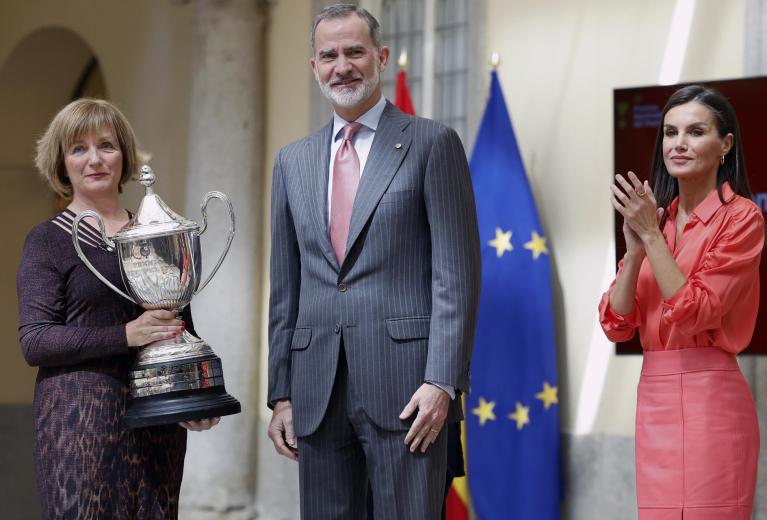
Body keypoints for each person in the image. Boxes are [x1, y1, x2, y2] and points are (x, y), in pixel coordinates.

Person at [266, 4, 480, 519]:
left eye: (354, 51)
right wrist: (281, 394)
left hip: (409, 390)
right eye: (329, 55)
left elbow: (458, 274)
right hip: (316, 390)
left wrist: (441, 381)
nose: (342, 65)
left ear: (381, 57)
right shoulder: (291, 161)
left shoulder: (432, 143)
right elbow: (285, 288)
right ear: (314, 67)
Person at [17, 98, 219, 519]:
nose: (95, 159)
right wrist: (126, 335)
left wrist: (197, 398)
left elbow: (179, 324)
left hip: (157, 423)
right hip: (78, 422)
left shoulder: (156, 232)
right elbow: (36, 341)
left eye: (106, 145)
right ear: (62, 162)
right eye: (79, 149)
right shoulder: (46, 241)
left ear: (124, 154)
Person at [599, 85, 763, 520]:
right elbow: (616, 322)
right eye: (670, 133)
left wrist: (651, 238)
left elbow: (697, 310)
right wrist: (636, 252)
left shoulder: (742, 216)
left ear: (725, 144)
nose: (679, 144)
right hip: (654, 398)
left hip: (712, 400)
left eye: (695, 132)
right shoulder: (659, 219)